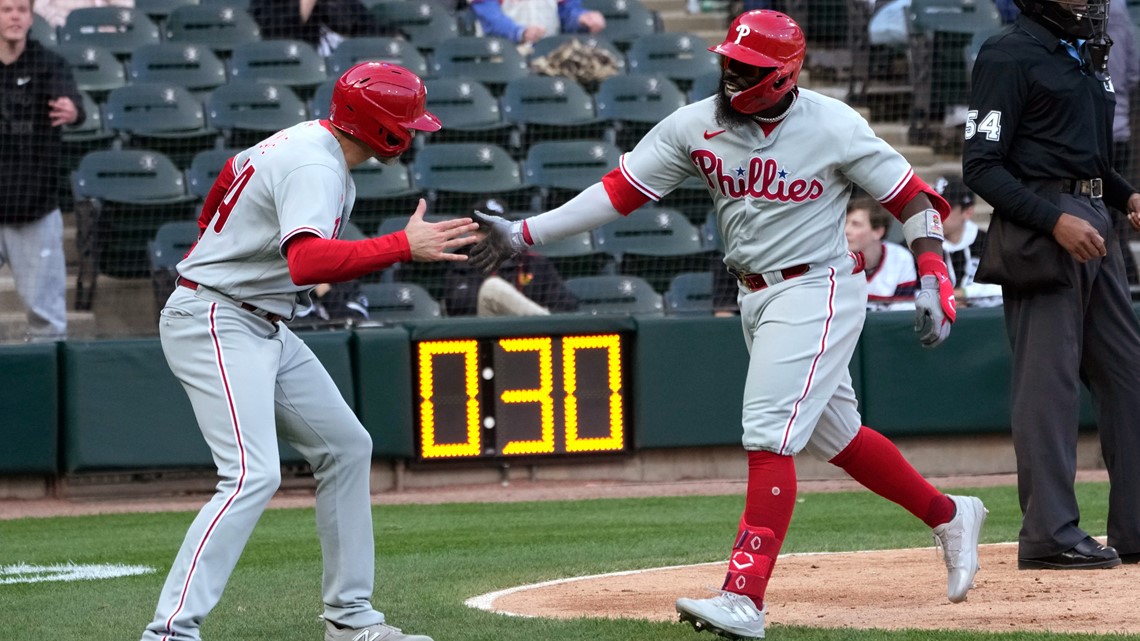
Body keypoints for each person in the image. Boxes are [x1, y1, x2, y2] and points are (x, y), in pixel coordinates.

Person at [470, 11, 987, 640]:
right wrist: (525, 232)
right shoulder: (696, 123)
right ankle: (949, 513)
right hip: (755, 295)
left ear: (784, 74)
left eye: (748, 67)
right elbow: (619, 191)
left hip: (817, 286)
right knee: (837, 438)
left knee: (768, 432)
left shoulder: (833, 123)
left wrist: (933, 273)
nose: (733, 73)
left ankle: (745, 595)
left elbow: (911, 199)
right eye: (730, 61)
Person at [140, 62, 477, 641]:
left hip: (256, 317)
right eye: (407, 123)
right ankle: (169, 632)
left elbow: (221, 194)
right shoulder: (315, 164)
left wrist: (227, 253)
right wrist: (403, 244)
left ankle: (351, 621)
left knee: (347, 447)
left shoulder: (308, 144)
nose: (413, 132)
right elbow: (308, 262)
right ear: (381, 126)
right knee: (250, 474)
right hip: (219, 318)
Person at [963, 0, 1140, 570]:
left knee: (1129, 377)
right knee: (1048, 388)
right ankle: (1049, 534)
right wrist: (1054, 220)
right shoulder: (1007, 53)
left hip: (1095, 221)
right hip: (1045, 229)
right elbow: (981, 165)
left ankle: (1135, 528)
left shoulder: (1085, 53)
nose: (1088, 0)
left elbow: (1085, 157)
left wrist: (1125, 195)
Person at [1, 0, 84, 343]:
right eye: (6, 9)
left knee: (46, 319)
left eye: (22, 9)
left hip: (34, 208)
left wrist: (72, 110)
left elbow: (73, 104)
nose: (15, 16)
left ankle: (49, 390)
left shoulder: (50, 63)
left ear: (32, 17)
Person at [442, 198, 578, 317]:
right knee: (492, 288)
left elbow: (567, 305)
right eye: (485, 230)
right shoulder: (461, 262)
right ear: (472, 231)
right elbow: (456, 308)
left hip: (534, 339)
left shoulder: (533, 262)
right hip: (486, 338)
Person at [1107, 0, 1140, 284]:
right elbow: (1133, 74)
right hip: (1120, 132)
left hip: (1090, 136)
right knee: (1115, 217)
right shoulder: (1123, 12)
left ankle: (1121, 281)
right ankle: (1126, 280)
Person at [935, 175, 1002, 307]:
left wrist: (964, 294)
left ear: (967, 211)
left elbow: (1002, 289)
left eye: (944, 208)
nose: (935, 214)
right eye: (933, 206)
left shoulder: (989, 243)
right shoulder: (920, 245)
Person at [248, 0, 401, 56]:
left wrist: (396, 42)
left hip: (347, 73)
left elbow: (369, 27)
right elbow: (282, 32)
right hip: (300, 68)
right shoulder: (269, 4)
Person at [844, 195, 918, 309]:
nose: (846, 230)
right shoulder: (834, 259)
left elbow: (903, 314)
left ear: (878, 232)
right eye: (845, 223)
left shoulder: (901, 258)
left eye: (856, 224)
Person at [469, 0, 605, 46]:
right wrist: (520, 33)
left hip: (548, 52)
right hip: (502, 54)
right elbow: (491, 20)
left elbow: (567, 11)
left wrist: (581, 18)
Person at [33, 0, 133, 29]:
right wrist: (63, 19)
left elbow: (125, 13)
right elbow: (36, 8)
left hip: (104, 37)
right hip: (64, 33)